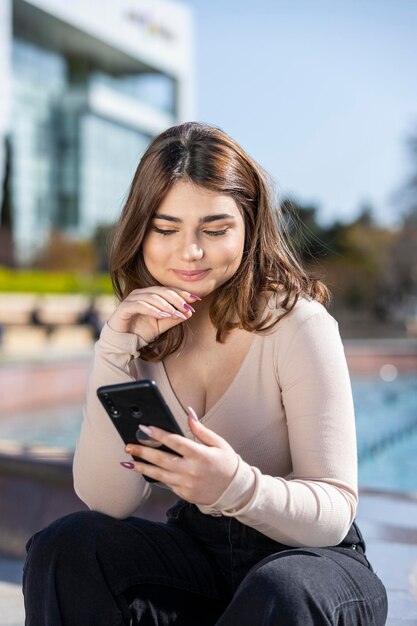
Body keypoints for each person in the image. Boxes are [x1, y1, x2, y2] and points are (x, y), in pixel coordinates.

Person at [23, 122, 388, 625]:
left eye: (215, 230)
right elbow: (108, 500)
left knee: (278, 588)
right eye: (166, 229)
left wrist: (235, 487)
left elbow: (333, 511)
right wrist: (113, 352)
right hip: (201, 552)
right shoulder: (145, 332)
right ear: (139, 228)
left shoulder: (296, 324)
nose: (189, 252)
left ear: (249, 226)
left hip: (315, 564)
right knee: (67, 546)